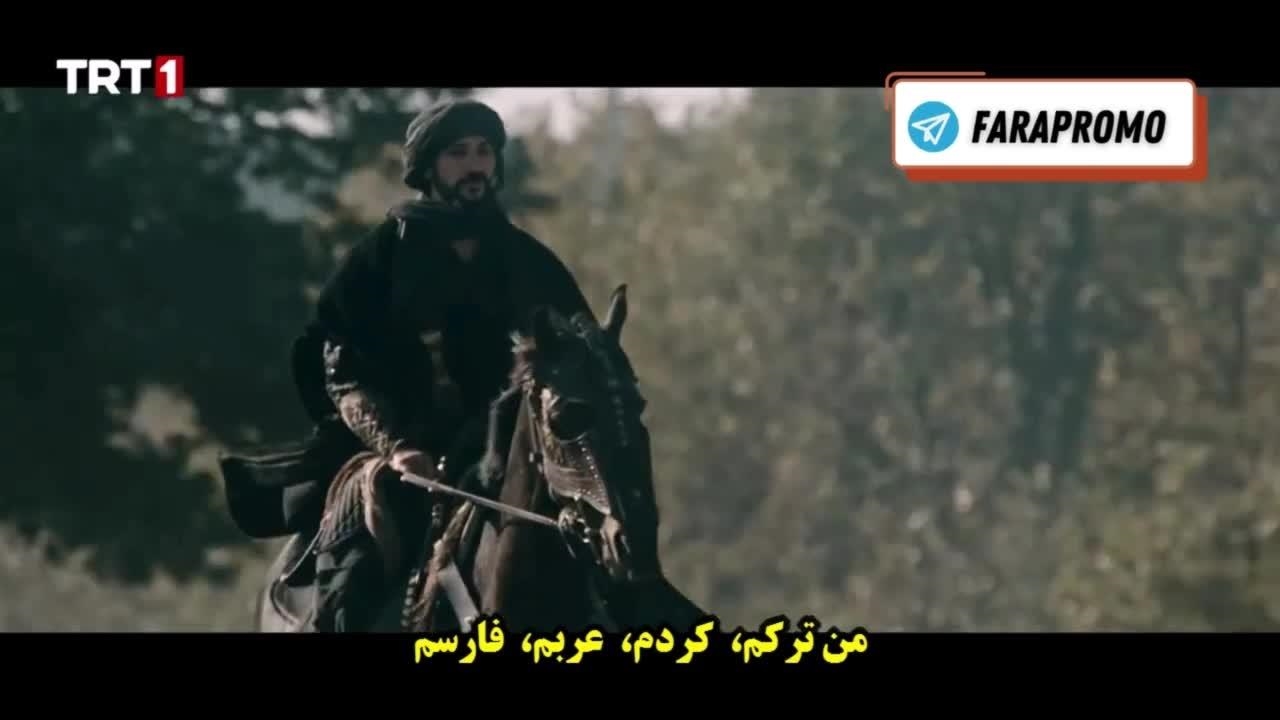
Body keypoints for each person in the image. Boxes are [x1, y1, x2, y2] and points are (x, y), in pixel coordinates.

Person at [269, 97, 597, 631]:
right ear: (428, 167)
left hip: (503, 454)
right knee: (353, 579)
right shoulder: (378, 259)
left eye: (484, 152)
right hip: (398, 457)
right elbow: (342, 375)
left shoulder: (527, 260)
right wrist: (397, 447)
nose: (474, 166)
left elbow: (578, 359)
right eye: (458, 154)